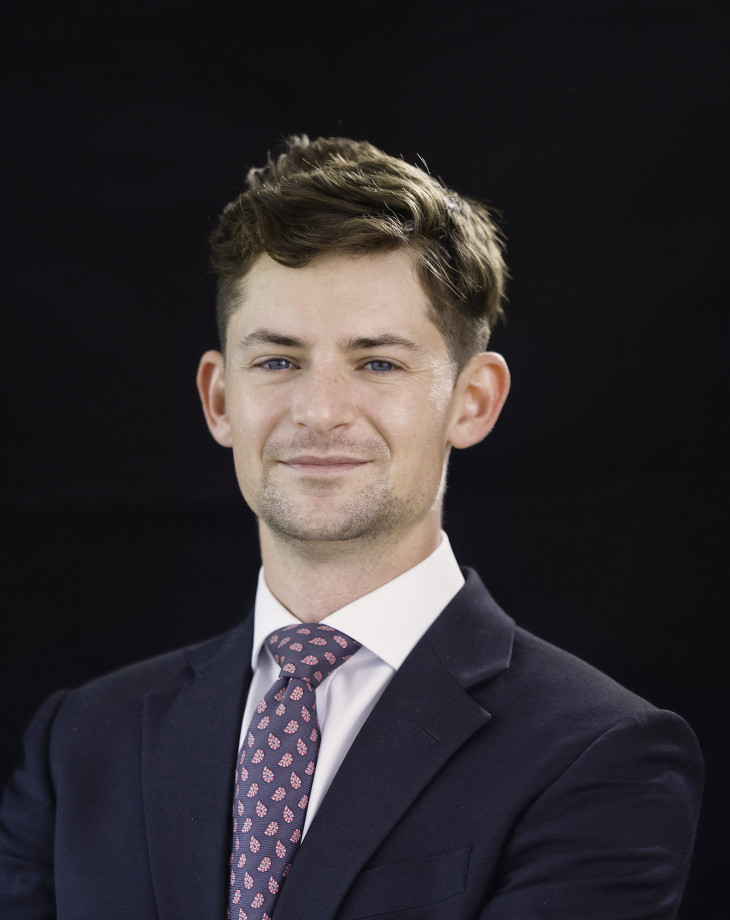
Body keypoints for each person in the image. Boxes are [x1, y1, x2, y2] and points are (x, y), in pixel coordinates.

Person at [0, 135, 702, 919]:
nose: (320, 411)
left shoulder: (600, 755)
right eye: (278, 361)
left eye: (378, 363)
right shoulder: (80, 743)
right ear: (220, 400)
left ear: (472, 401)